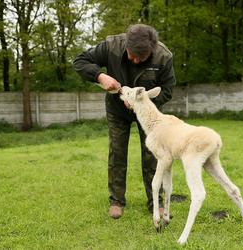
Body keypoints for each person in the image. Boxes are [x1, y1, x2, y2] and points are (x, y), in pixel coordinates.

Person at [73, 24, 176, 219]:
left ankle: (156, 202)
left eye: (140, 58)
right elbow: (80, 61)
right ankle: (117, 201)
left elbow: (168, 89)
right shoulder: (111, 46)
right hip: (117, 109)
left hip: (149, 114)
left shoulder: (164, 57)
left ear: (151, 51)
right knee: (117, 152)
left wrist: (143, 104)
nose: (133, 59)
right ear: (126, 44)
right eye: (131, 54)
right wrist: (99, 75)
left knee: (152, 155)